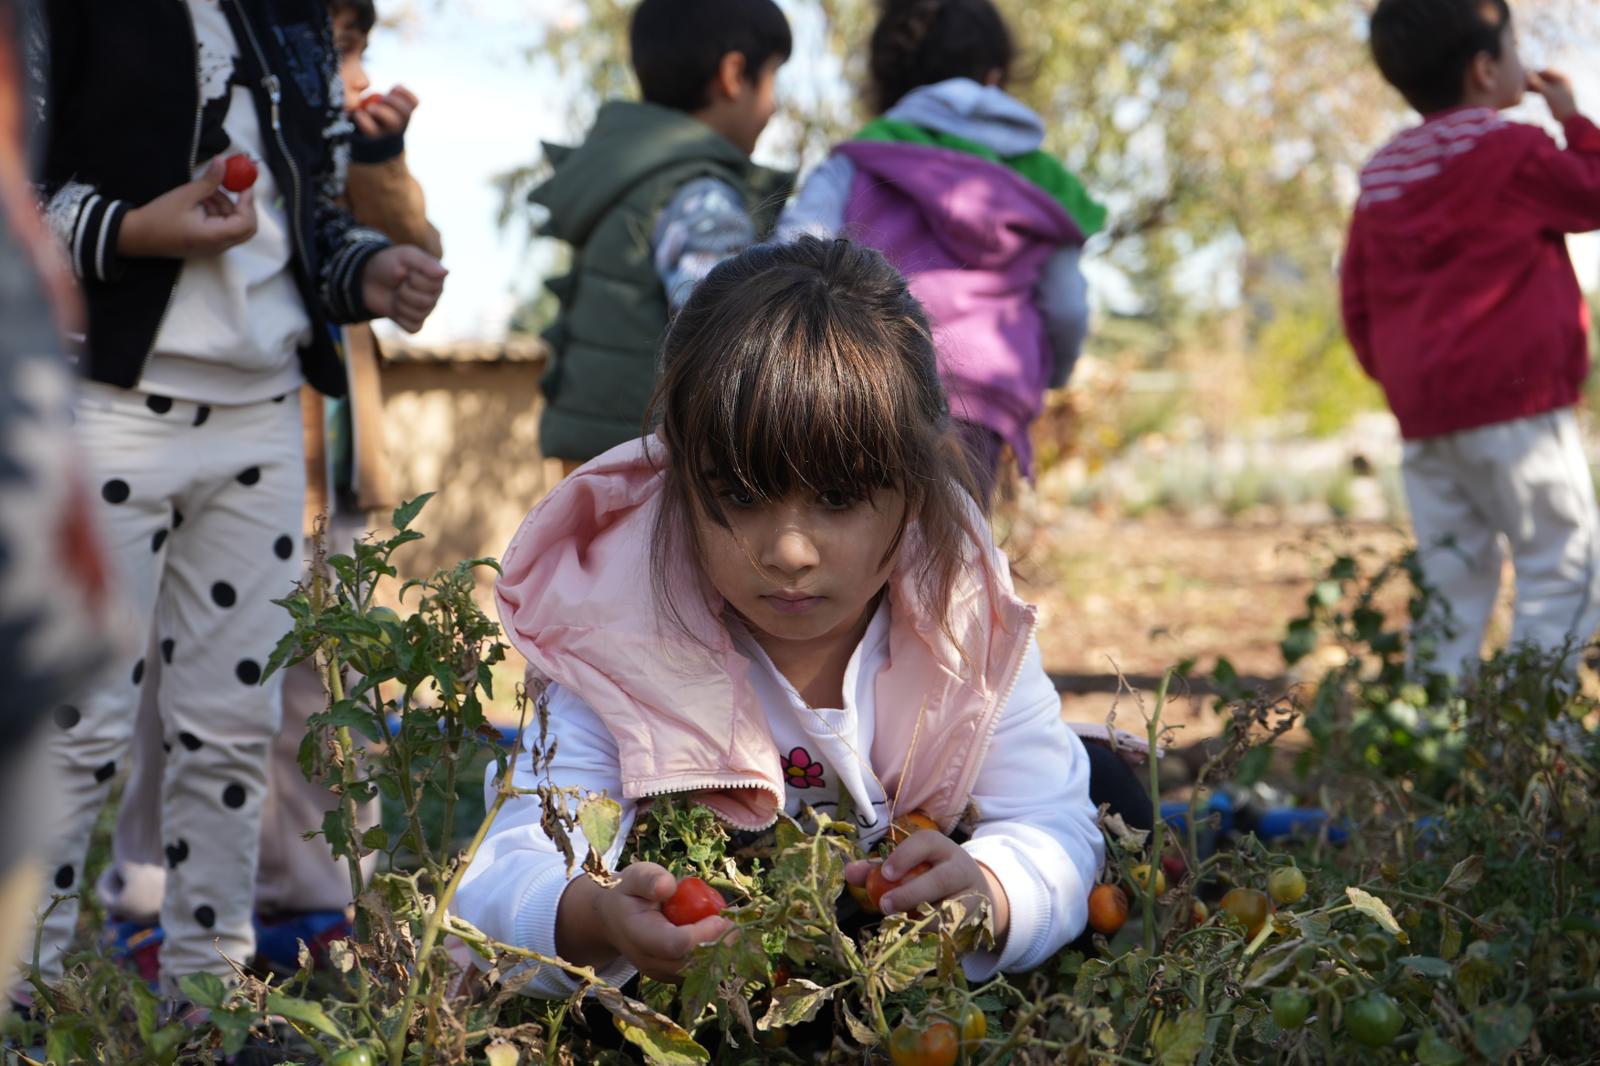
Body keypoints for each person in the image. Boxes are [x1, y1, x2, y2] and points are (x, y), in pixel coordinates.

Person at [455, 238, 1104, 995]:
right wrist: (597, 919)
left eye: (838, 498)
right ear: (680, 480)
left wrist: (989, 891)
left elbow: (1053, 823)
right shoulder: (616, 641)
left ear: (916, 484)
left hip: (899, 984)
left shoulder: (968, 622)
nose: (790, 550)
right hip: (698, 995)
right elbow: (509, 873)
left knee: (1112, 789)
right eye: (739, 494)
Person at [30, 0, 445, 998]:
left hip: (263, 411)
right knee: (74, 723)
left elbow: (311, 224)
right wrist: (134, 229)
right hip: (106, 404)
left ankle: (207, 997)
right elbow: (17, 193)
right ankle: (23, 997)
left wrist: (367, 270)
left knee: (235, 722)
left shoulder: (297, 19)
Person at [1341, 0, 1600, 679]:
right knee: (1560, 566)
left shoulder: (1382, 175)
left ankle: (1434, 736)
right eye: (1514, 45)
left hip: (1428, 422)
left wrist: (1404, 383)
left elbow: (1358, 301)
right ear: (1486, 69)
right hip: (1521, 410)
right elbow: (1594, 193)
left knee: (1452, 582)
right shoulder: (1510, 151)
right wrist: (1573, 120)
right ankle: (1530, 741)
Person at [776, 0, 1103, 505]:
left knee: (862, 548)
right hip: (982, 397)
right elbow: (1066, 305)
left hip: (867, 383)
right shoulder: (1043, 185)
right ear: (995, 74)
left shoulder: (860, 159)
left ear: (889, 75)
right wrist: (1051, 374)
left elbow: (793, 254)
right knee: (956, 560)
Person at [532, 0, 794, 475]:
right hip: (658, 470)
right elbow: (731, 334)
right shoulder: (698, 195)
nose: (776, 104)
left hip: (596, 462)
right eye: (774, 77)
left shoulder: (627, 177)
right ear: (735, 74)